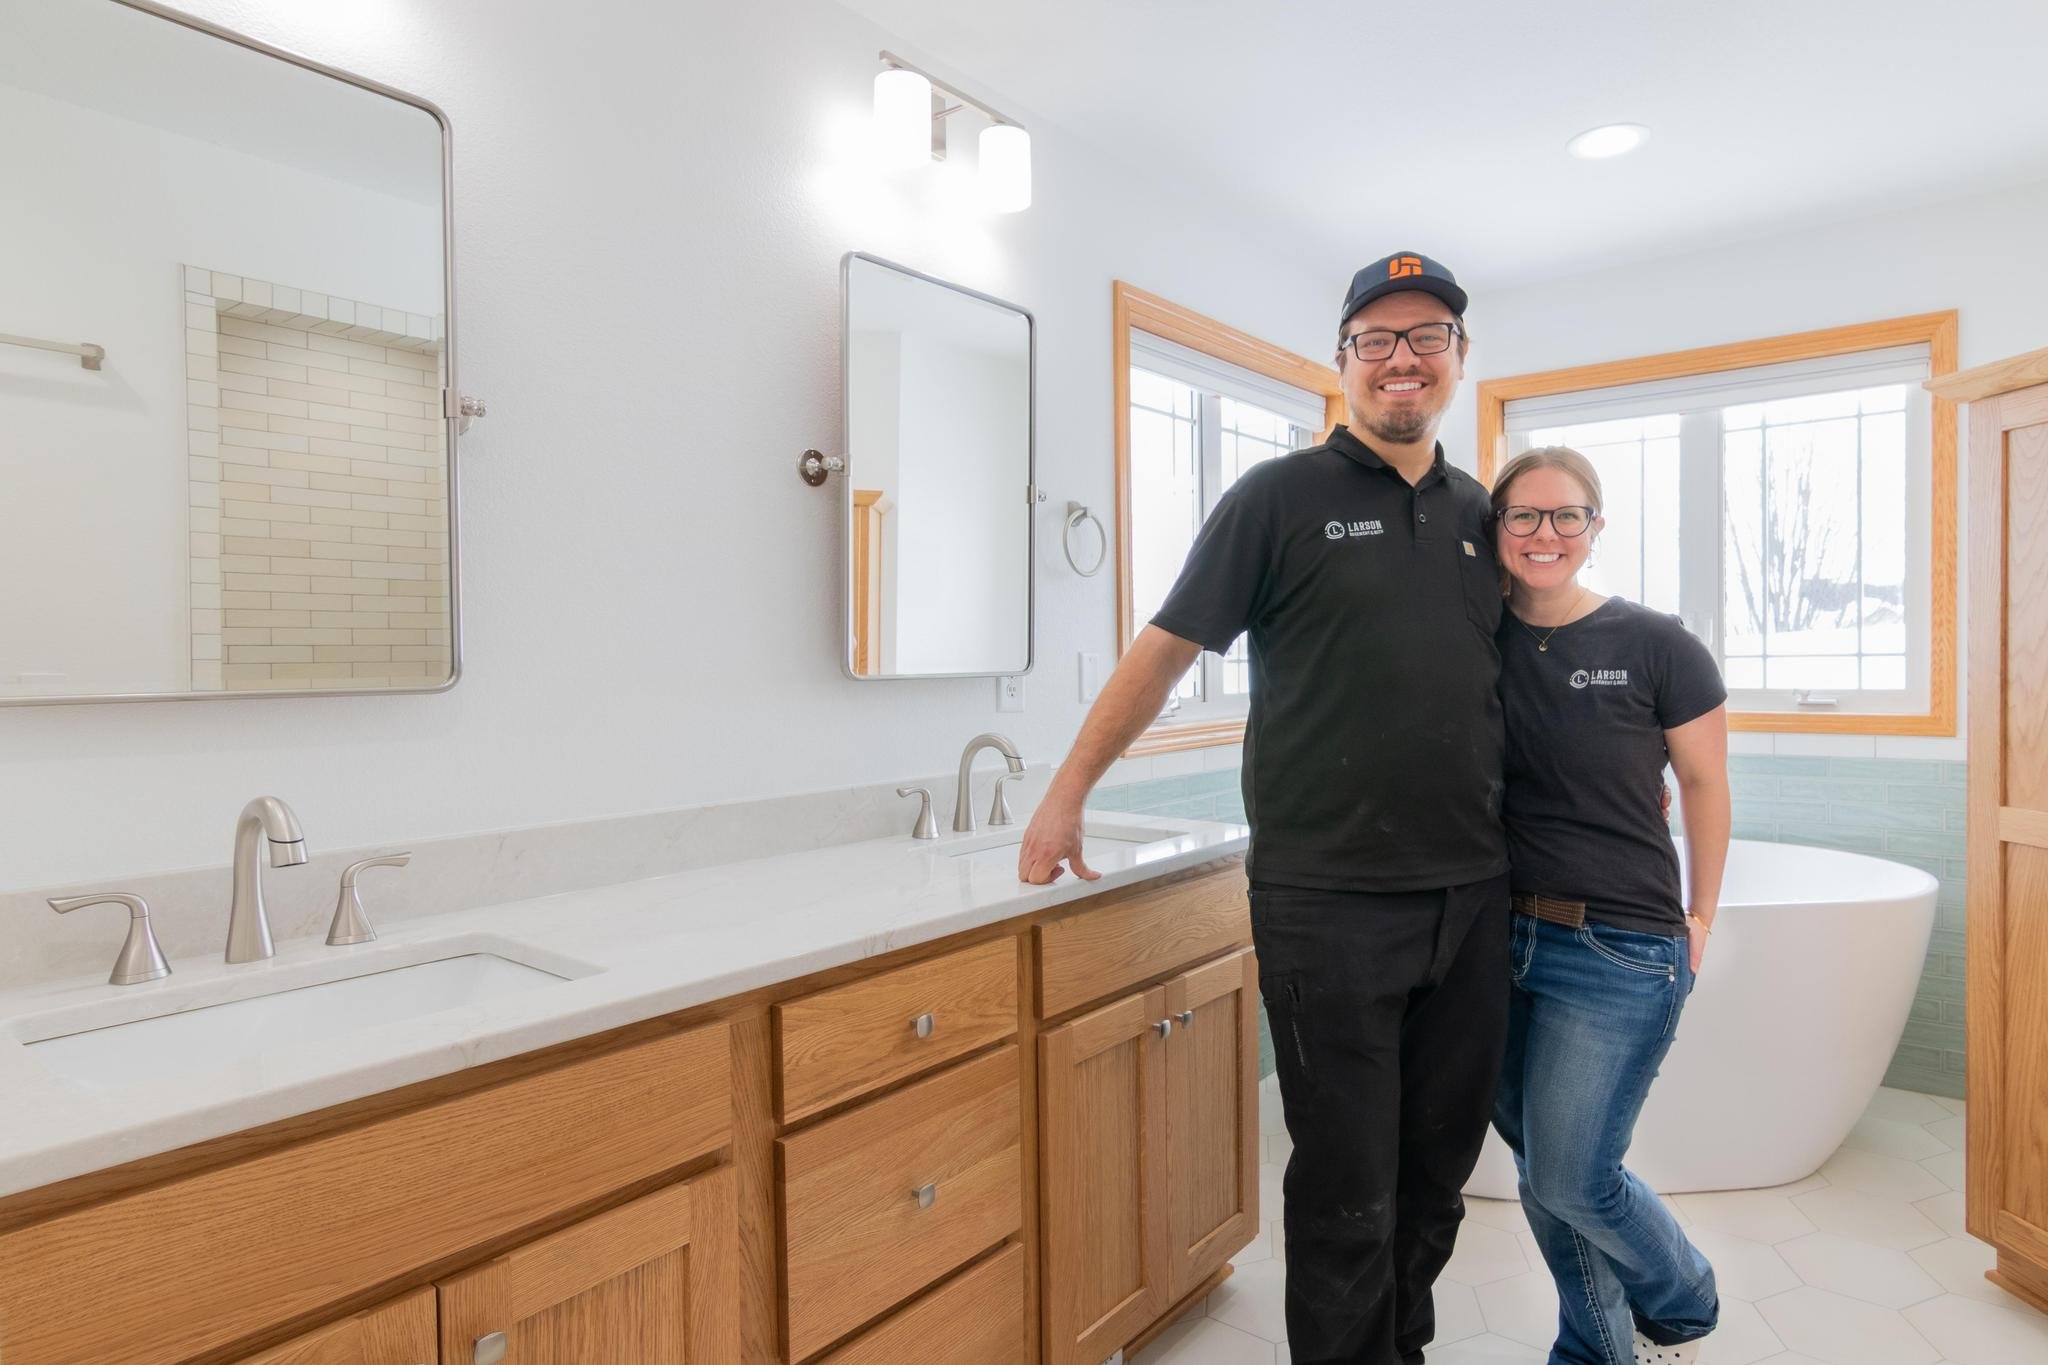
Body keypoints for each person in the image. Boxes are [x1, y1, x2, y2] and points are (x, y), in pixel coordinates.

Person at [1019, 252, 1510, 1364]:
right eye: (1374, 340)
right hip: (1328, 898)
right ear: (1341, 363)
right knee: (1345, 1182)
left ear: (1457, 360)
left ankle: (1401, 1348)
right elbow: (1162, 653)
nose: (1400, 359)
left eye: (1424, 337)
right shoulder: (1274, 501)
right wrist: (1065, 794)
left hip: (1474, 894)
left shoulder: (1481, 513)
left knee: (1437, 1170)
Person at [1484, 446, 1730, 1365]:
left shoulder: (1656, 642)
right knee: (1542, 1173)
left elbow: (1704, 784)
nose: (1545, 534)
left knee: (1574, 1175)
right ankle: (1600, 1347)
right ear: (1497, 527)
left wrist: (1702, 917)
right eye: (1524, 516)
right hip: (1495, 939)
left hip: (1619, 945)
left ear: (1596, 527)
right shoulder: (1473, 638)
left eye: (1566, 516)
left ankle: (1685, 1295)